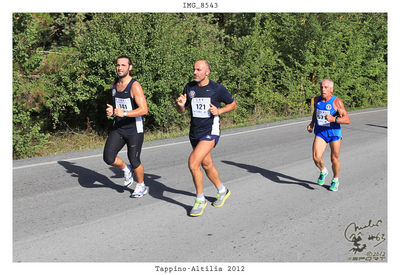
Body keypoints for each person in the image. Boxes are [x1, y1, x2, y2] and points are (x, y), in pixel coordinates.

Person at [176, 60, 237, 216]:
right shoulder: (189, 87)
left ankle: (200, 199)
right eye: (194, 69)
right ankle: (222, 190)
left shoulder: (217, 89)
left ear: (207, 72)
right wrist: (181, 105)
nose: (195, 72)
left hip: (211, 131)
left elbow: (233, 104)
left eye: (199, 69)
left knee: (193, 162)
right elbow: (181, 110)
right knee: (207, 164)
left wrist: (219, 111)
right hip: (194, 132)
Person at [103, 55, 149, 198]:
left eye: (123, 65)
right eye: (118, 65)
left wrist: (125, 113)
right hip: (119, 127)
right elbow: (119, 107)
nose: (120, 68)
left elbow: (144, 110)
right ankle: (125, 169)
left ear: (130, 67)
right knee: (108, 157)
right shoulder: (115, 84)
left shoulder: (134, 86)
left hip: (134, 129)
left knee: (134, 160)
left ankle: (141, 185)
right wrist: (113, 111)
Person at [307, 78, 350, 191]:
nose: (323, 89)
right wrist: (312, 123)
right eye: (321, 87)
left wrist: (334, 119)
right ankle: (323, 170)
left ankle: (335, 179)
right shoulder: (317, 100)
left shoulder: (337, 102)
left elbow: (347, 119)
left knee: (334, 159)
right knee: (316, 157)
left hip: (334, 134)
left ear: (331, 89)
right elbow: (316, 112)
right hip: (321, 132)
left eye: (326, 87)